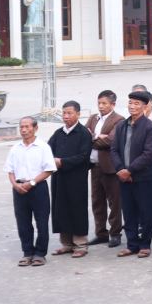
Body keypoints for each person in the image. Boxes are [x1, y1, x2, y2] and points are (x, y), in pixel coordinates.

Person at [111, 91, 152, 259]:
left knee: (145, 211)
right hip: (123, 177)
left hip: (143, 177)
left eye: (137, 104)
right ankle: (131, 244)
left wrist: (130, 170)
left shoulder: (150, 127)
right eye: (130, 103)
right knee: (129, 211)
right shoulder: (121, 126)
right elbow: (114, 150)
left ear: (145, 106)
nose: (132, 106)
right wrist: (120, 170)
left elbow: (149, 153)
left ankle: (145, 244)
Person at [6, 116, 56, 266]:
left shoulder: (43, 147)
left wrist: (32, 182)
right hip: (19, 189)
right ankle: (27, 252)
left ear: (35, 128)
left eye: (27, 127)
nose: (24, 130)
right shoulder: (15, 148)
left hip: (38, 188)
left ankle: (40, 253)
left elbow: (49, 169)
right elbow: (10, 170)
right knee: (23, 222)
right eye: (21, 127)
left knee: (41, 222)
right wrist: (15, 184)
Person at [48, 101, 93, 258]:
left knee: (77, 208)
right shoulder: (58, 133)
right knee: (61, 209)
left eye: (69, 113)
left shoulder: (83, 133)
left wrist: (63, 162)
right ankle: (66, 243)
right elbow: (47, 151)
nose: (66, 116)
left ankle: (81, 244)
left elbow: (83, 156)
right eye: (64, 113)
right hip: (59, 178)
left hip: (76, 179)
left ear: (78, 114)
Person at [86, 91, 124, 248]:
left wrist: (93, 138)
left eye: (104, 103)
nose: (101, 106)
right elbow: (83, 136)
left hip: (110, 168)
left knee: (114, 202)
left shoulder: (119, 120)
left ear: (113, 104)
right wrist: (98, 136)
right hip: (94, 167)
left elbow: (110, 141)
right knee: (97, 201)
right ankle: (101, 233)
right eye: (99, 103)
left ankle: (115, 233)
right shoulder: (93, 118)